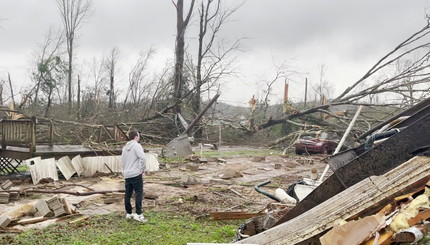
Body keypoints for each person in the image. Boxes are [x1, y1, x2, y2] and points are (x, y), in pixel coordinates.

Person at [121, 130, 147, 222]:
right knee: (138, 193)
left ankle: (129, 213)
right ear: (136, 137)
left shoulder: (125, 148)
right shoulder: (137, 145)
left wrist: (124, 171)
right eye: (138, 136)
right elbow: (142, 158)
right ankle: (138, 214)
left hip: (127, 174)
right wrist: (142, 169)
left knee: (128, 194)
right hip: (136, 173)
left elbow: (123, 161)